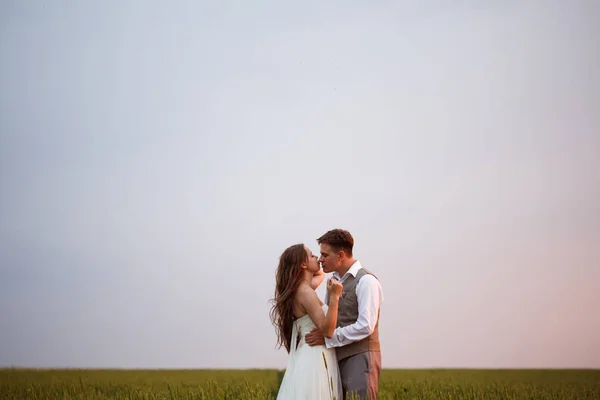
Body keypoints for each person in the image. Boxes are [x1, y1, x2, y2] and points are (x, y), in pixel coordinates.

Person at [305, 229, 383, 400]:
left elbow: (366, 326)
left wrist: (328, 338)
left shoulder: (366, 281)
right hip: (335, 359)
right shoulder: (333, 281)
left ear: (340, 255)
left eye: (324, 255)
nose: (320, 259)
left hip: (360, 358)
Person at [270, 243, 344, 399]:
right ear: (303, 264)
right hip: (315, 356)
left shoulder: (300, 288)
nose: (317, 257)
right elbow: (328, 330)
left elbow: (321, 275)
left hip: (308, 354)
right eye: (311, 255)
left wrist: (313, 269)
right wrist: (334, 297)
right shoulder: (305, 292)